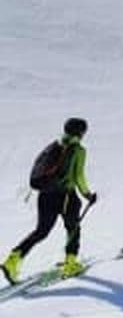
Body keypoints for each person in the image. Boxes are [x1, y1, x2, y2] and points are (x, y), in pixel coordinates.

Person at [1, 118, 98, 284]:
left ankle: (13, 259)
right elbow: (78, 176)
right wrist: (87, 195)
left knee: (41, 231)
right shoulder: (78, 150)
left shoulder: (54, 146)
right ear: (80, 133)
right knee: (73, 229)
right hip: (66, 196)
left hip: (45, 195)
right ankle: (70, 264)